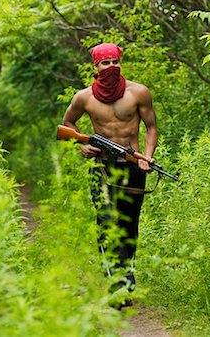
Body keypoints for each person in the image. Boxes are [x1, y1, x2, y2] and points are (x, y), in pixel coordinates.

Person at [62, 43, 157, 303]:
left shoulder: (138, 92)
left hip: (133, 166)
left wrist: (147, 158)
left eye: (115, 62)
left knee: (128, 226)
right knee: (107, 223)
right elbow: (67, 123)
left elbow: (150, 127)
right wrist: (82, 145)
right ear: (96, 67)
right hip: (102, 168)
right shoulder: (84, 98)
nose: (112, 67)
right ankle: (118, 286)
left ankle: (125, 276)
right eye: (106, 63)